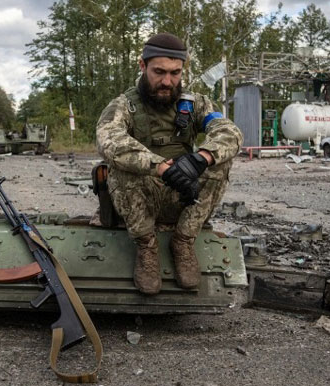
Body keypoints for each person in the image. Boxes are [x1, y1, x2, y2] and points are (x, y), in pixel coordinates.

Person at [96, 32, 243, 295]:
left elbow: (229, 132)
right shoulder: (124, 105)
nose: (167, 81)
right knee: (121, 163)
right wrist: (162, 168)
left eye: (175, 73)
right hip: (141, 200)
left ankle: (183, 241)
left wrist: (201, 158)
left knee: (221, 160)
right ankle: (146, 247)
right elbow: (109, 139)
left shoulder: (194, 104)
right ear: (142, 66)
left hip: (183, 199)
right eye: (159, 72)